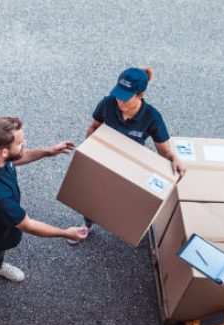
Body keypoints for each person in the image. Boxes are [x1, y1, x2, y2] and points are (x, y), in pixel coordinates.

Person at [0, 116, 88, 312]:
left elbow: (16, 158)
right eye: (20, 142)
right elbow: (28, 225)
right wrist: (66, 233)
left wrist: (47, 152)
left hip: (3, 227)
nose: (24, 144)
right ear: (3, 151)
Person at [68, 67, 186, 244]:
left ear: (140, 95)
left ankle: (122, 225)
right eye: (118, 94)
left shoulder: (152, 117)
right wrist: (88, 150)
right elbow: (93, 126)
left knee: (122, 197)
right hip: (105, 158)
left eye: (126, 96)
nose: (119, 100)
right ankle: (87, 224)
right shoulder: (108, 104)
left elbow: (164, 150)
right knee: (94, 194)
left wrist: (174, 158)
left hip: (130, 164)